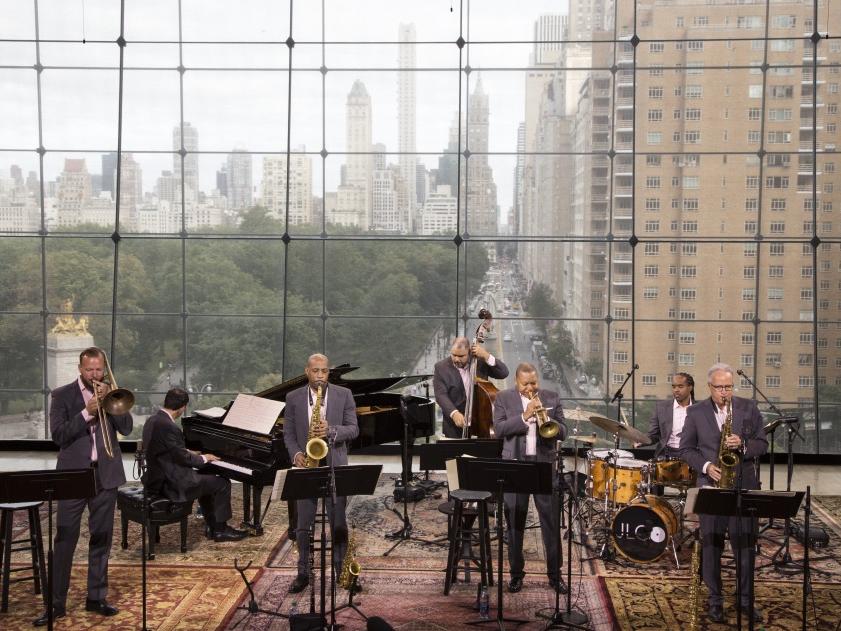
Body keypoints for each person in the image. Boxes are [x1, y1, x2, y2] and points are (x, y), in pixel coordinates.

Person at [35, 347, 133, 626]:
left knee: (101, 538)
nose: (94, 375)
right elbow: (59, 436)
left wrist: (110, 401)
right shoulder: (62, 395)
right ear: (80, 369)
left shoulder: (111, 391)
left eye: (99, 370)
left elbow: (126, 428)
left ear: (104, 368)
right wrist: (86, 413)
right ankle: (56, 604)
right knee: (65, 539)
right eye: (89, 370)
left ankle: (96, 597)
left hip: (105, 475)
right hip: (73, 476)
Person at [679, 363, 768, 624]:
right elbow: (686, 449)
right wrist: (707, 466)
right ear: (710, 387)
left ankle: (744, 600)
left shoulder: (748, 408)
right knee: (712, 546)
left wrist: (743, 444)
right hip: (712, 488)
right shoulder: (695, 412)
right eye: (719, 387)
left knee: (745, 547)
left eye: (728, 387)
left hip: (743, 486)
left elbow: (762, 443)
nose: (724, 392)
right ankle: (715, 601)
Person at [284, 354, 359, 594]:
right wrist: (296, 455)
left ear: (329, 373)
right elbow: (288, 434)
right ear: (307, 371)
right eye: (315, 371)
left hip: (335, 465)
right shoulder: (293, 397)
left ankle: (341, 572)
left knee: (338, 523)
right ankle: (303, 572)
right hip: (306, 466)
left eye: (324, 371)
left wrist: (332, 430)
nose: (319, 376)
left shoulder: (343, 395)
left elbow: (354, 429)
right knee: (302, 526)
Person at [492, 362, 568, 594]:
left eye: (534, 382)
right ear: (516, 382)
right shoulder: (503, 398)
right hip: (516, 466)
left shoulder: (552, 397)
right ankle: (516, 574)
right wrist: (525, 417)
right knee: (515, 522)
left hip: (544, 465)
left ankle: (555, 575)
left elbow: (563, 431)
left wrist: (549, 419)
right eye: (526, 384)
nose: (530, 387)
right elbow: (500, 429)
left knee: (551, 522)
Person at [142, 387, 247, 542]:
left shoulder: (153, 420)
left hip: (156, 478)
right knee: (222, 483)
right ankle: (220, 530)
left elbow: (170, 450)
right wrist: (205, 457)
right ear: (183, 407)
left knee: (206, 480)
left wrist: (188, 451)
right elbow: (184, 459)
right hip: (173, 483)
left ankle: (212, 523)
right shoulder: (170, 427)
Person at [433, 336, 509, 438]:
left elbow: (503, 373)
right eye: (454, 355)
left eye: (461, 356)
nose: (456, 359)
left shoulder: (480, 362)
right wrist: (454, 413)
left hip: (481, 423)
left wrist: (486, 356)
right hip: (454, 428)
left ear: (469, 352)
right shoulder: (440, 367)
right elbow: (440, 395)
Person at [645, 372, 695, 459]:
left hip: (692, 454)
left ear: (690, 388)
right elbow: (654, 435)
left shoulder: (700, 409)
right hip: (666, 454)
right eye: (674, 386)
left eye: (680, 386)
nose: (676, 390)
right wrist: (640, 440)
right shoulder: (661, 407)